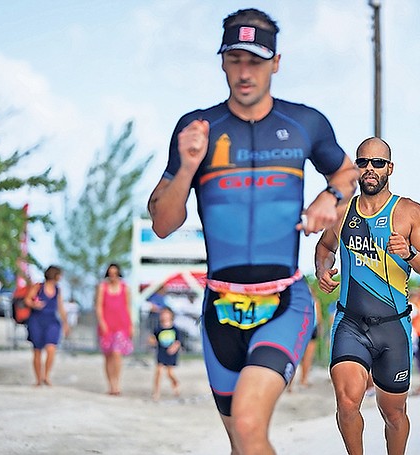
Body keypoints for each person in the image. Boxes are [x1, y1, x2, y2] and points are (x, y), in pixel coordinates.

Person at [147, 8, 359, 454]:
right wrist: (187, 166)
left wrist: (330, 198)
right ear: (222, 61)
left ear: (276, 63)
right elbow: (164, 224)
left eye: (257, 61)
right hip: (219, 309)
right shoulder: (197, 128)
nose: (246, 73)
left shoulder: (305, 123)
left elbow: (345, 172)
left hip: (283, 301)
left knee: (246, 421)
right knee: (242, 442)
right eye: (236, 59)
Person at [315, 137, 420, 455]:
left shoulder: (409, 212)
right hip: (350, 322)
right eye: (363, 162)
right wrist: (322, 269)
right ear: (356, 168)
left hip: (393, 327)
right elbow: (324, 247)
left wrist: (410, 253)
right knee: (347, 403)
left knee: (394, 414)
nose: (370, 168)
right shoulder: (343, 212)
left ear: (390, 168)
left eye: (377, 163)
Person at [24, 265, 70, 386]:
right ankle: (38, 379)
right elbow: (27, 300)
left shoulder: (57, 290)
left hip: (52, 320)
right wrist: (35, 305)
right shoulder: (38, 286)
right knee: (37, 350)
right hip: (37, 320)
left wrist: (65, 323)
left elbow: (60, 307)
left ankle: (46, 375)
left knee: (51, 348)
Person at [95, 263, 134, 396]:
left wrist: (131, 324)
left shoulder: (125, 288)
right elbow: (99, 306)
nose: (113, 276)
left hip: (121, 324)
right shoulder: (102, 287)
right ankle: (110, 384)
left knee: (117, 354)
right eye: (110, 273)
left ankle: (117, 384)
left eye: (115, 273)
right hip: (106, 325)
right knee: (108, 357)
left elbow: (128, 307)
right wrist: (102, 322)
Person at [148, 306, 182, 401]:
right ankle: (156, 392)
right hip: (161, 352)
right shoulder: (158, 328)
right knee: (158, 371)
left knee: (170, 373)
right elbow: (152, 338)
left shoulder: (175, 329)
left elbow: (178, 341)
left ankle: (175, 383)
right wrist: (151, 340)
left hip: (171, 353)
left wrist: (174, 347)